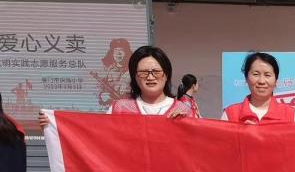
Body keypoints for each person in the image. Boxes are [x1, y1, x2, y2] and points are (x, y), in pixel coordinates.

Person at [38, 45, 193, 128]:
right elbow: (94, 134)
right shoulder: (119, 109)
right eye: (143, 72)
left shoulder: (184, 110)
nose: (150, 77)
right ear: (134, 76)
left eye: (156, 72)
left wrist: (186, 124)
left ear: (166, 74)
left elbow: (197, 148)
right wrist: (54, 124)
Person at [221, 52, 295, 124]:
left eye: (267, 75)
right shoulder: (230, 114)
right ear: (246, 78)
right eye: (256, 74)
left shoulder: (291, 115)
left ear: (276, 80)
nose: (261, 81)